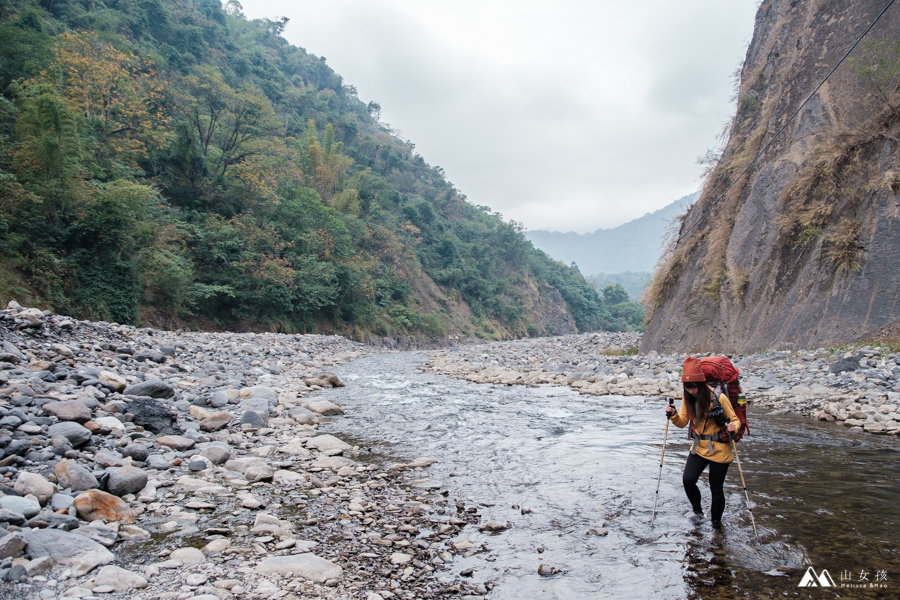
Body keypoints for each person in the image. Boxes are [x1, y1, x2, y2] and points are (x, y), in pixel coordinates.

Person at [665, 356, 740, 528]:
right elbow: (683, 422)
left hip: (720, 449)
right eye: (688, 388)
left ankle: (716, 525)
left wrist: (732, 427)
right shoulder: (688, 399)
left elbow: (736, 420)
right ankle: (698, 512)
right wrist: (673, 415)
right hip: (699, 447)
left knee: (716, 488)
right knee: (688, 480)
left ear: (701, 384)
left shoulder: (719, 398)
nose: (691, 391)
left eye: (693, 387)